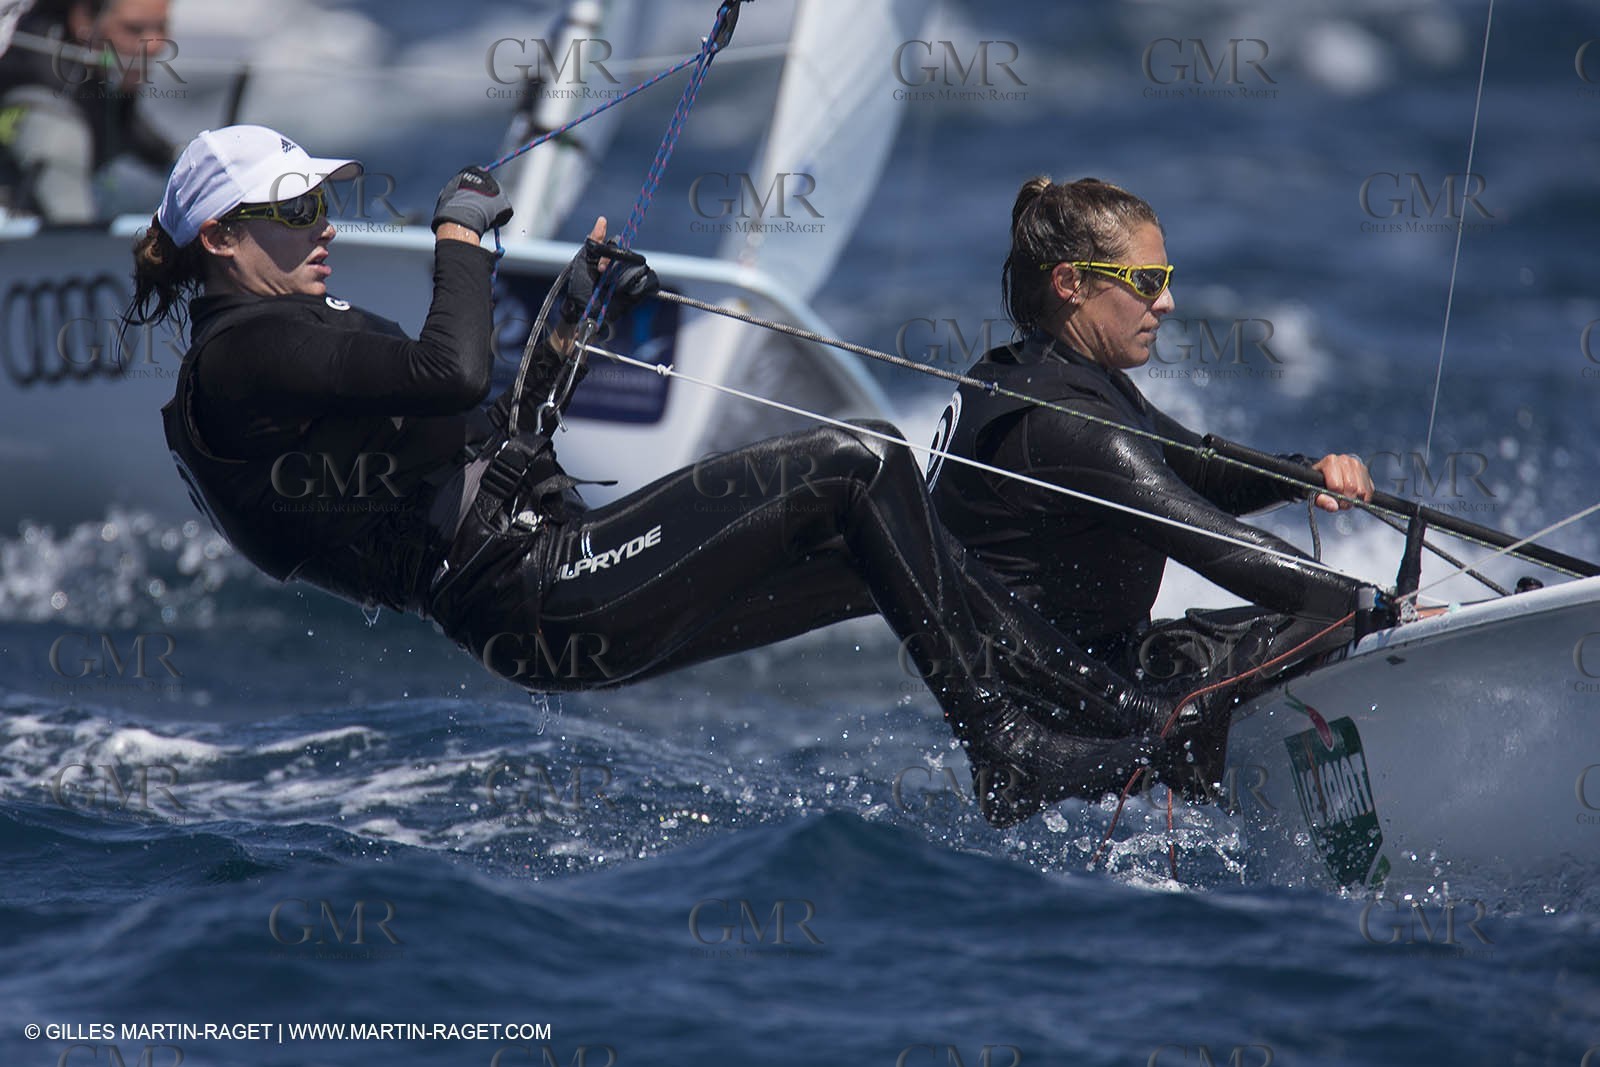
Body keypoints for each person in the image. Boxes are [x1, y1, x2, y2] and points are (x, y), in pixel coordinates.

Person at [134, 126, 1228, 830]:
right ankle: (1023, 746)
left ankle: (1115, 710)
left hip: (544, 575)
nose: (319, 227)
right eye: (290, 212)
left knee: (888, 542)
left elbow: (468, 434)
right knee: (860, 461)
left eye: (320, 203)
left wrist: (565, 326)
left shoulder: (266, 344)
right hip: (538, 586)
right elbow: (450, 365)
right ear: (223, 238)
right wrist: (459, 236)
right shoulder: (241, 352)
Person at [931, 176, 1377, 717]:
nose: (1166, 302)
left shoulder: (1040, 373)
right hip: (1087, 726)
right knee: (1330, 621)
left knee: (1310, 617)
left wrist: (1307, 476)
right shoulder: (1061, 423)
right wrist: (1371, 608)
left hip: (1090, 685)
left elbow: (1202, 472)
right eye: (1146, 280)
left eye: (1165, 278)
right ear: (1070, 282)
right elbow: (1213, 542)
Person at [0, 0, 176, 221]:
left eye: (162, 27)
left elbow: (136, 133)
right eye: (134, 29)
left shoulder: (94, 76)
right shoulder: (49, 111)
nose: (156, 45)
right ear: (82, 20)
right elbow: (76, 238)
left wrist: (178, 157)